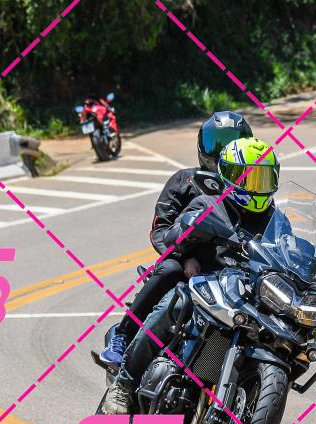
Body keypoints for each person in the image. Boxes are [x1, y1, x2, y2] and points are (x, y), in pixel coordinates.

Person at [102, 137, 281, 414]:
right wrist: (186, 241)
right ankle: (124, 385)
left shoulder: (273, 219)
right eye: (250, 178)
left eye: (263, 178)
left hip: (243, 295)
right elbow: (171, 234)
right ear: (231, 176)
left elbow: (287, 249)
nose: (257, 187)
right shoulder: (208, 203)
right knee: (175, 303)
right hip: (203, 287)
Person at [98, 111, 253, 368]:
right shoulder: (185, 180)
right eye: (217, 143)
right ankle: (123, 335)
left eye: (232, 143)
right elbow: (160, 230)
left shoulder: (249, 191)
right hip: (186, 264)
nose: (222, 151)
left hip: (230, 269)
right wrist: (185, 258)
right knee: (169, 269)